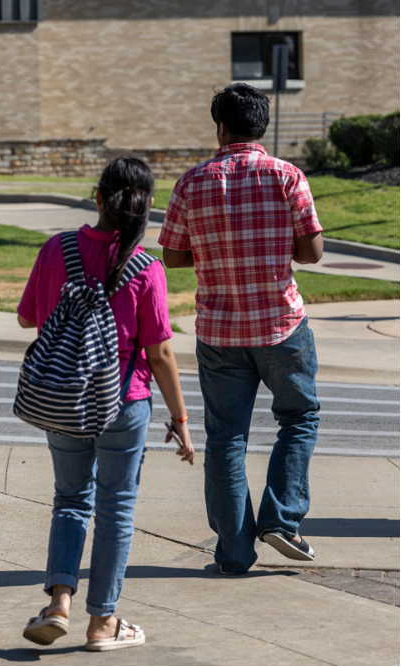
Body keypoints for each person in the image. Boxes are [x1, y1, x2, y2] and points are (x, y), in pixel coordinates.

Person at [18, 157, 194, 651]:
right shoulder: (146, 267)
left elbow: (27, 318)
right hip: (124, 401)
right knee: (116, 509)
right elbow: (159, 352)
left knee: (71, 500)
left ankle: (58, 604)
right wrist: (180, 419)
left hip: (66, 401)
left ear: (97, 197)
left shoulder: (57, 249)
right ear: (148, 207)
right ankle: (103, 624)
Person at [158, 83, 323, 576]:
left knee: (226, 438)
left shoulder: (192, 182)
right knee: (299, 419)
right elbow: (312, 252)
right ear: (263, 126)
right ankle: (281, 519)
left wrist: (210, 252)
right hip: (280, 324)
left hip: (219, 330)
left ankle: (233, 552)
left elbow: (172, 255)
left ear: (221, 127)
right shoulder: (287, 176)